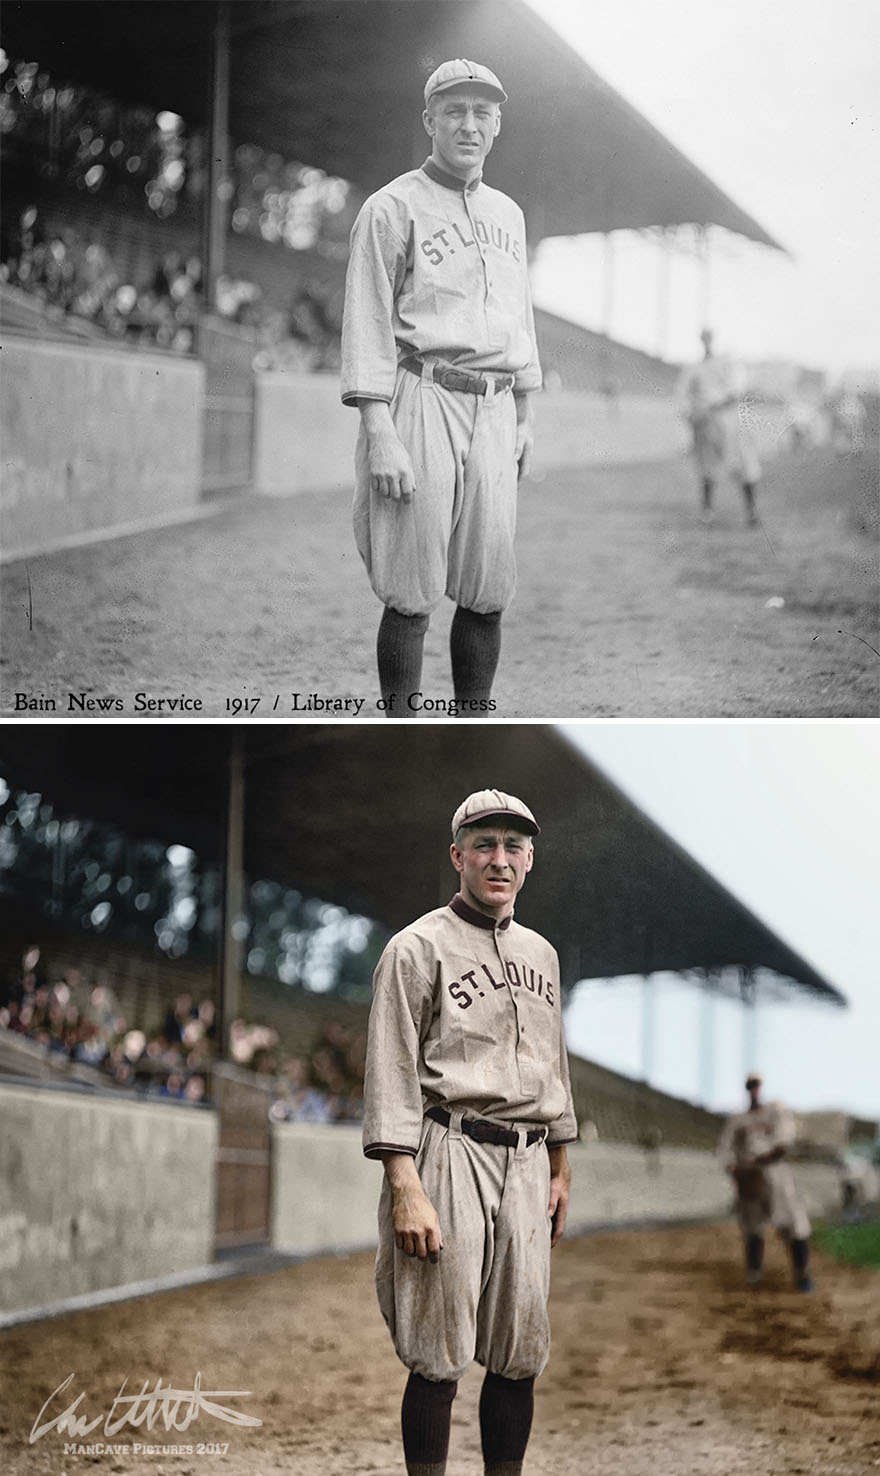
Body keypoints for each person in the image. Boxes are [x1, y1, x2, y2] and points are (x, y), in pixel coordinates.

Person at [362, 788, 577, 1476]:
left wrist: (562, 1168)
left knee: (519, 1351)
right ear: (457, 855)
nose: (499, 858)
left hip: (529, 1159)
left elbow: (553, 1064)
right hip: (449, 1150)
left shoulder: (542, 953)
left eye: (513, 846)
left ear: (530, 861)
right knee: (439, 1351)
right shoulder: (414, 947)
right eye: (484, 844)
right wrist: (405, 1184)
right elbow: (390, 1070)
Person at [341, 59, 542, 719]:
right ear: (429, 120)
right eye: (454, 110)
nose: (469, 124)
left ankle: (470, 726)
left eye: (483, 112)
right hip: (421, 395)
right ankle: (402, 728)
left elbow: (520, 321)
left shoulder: (509, 214)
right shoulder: (390, 207)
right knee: (411, 590)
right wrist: (380, 431)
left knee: (488, 590)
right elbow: (367, 324)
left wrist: (525, 412)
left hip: (493, 405)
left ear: (498, 124)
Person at [717, 1072, 813, 1291]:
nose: (754, 1090)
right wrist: (735, 1169)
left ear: (761, 1088)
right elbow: (724, 1150)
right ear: (746, 1089)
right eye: (750, 1086)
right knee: (752, 1226)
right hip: (750, 1178)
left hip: (776, 1175)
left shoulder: (776, 1110)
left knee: (794, 1223)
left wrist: (757, 1160)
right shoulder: (737, 1120)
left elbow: (783, 1144)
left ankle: (803, 1274)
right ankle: (754, 1272)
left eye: (756, 1085)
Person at [677, 328, 761, 525]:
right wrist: (692, 415)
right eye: (703, 338)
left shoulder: (727, 363)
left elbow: (736, 390)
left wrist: (718, 403)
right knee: (707, 467)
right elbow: (683, 398)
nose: (706, 341)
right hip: (706, 424)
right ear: (700, 341)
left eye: (709, 338)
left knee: (744, 465)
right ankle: (707, 511)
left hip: (729, 421)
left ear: (713, 339)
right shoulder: (694, 369)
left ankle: (751, 511)